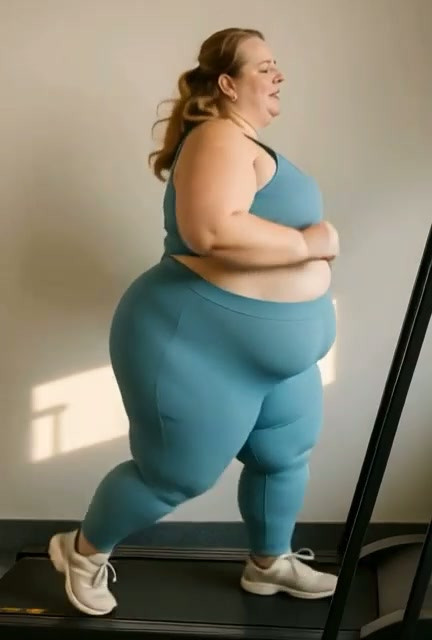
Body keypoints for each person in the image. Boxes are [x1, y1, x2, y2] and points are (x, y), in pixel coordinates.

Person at [48, 27, 340, 616]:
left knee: (283, 456)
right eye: (265, 67)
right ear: (228, 84)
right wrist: (310, 243)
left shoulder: (248, 145)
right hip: (195, 344)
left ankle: (269, 564)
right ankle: (81, 552)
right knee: (173, 476)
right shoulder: (217, 137)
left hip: (274, 359)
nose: (279, 75)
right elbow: (212, 230)